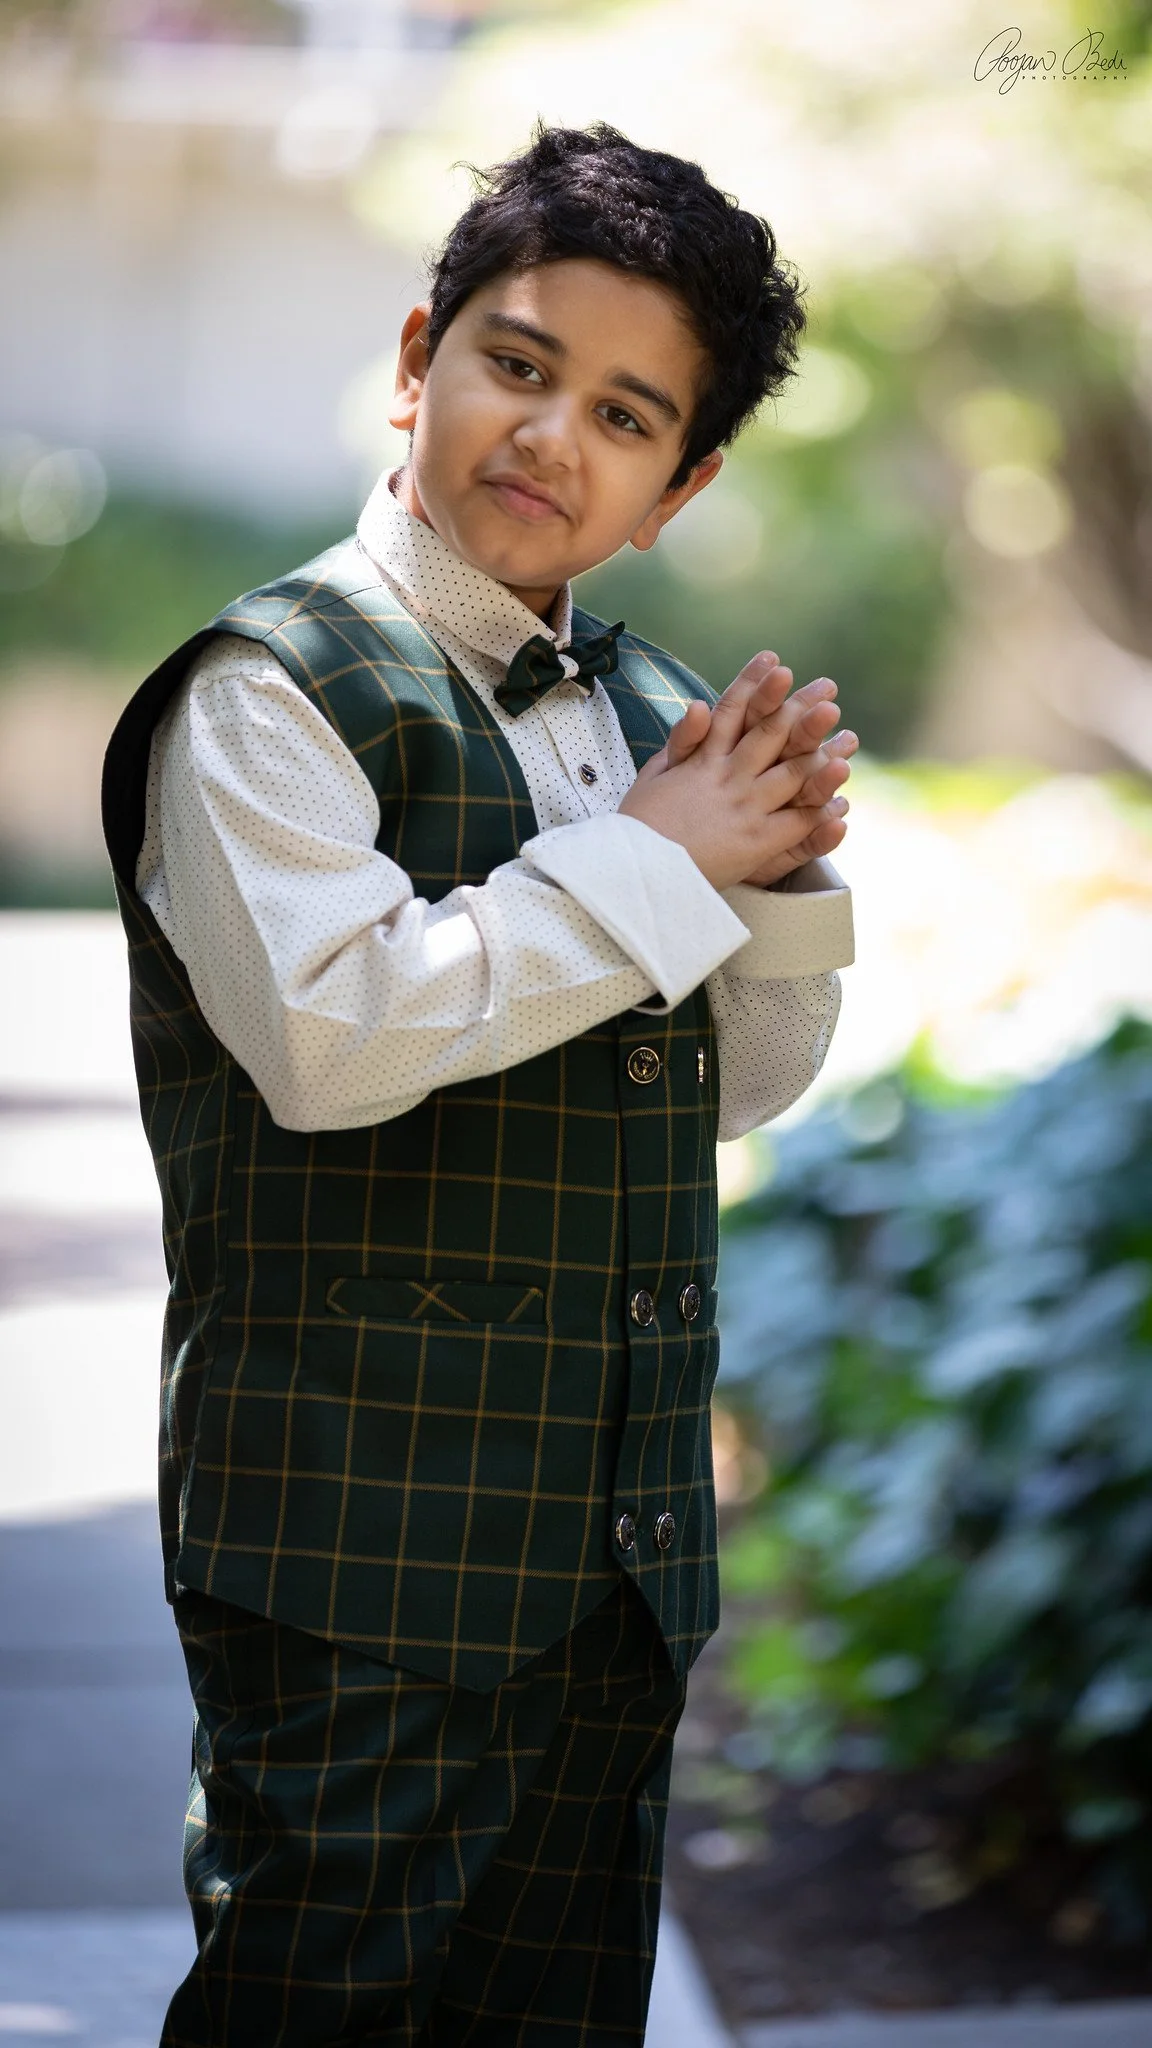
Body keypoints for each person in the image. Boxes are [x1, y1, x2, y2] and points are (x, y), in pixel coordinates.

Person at [101, 120, 856, 2047]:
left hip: (612, 1552)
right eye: (518, 366)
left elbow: (727, 1088)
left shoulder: (641, 714)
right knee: (321, 1999)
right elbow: (339, 1040)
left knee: (550, 2013)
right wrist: (665, 868)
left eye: (624, 415)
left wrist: (773, 878)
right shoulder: (267, 692)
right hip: (350, 1540)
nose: (549, 437)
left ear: (676, 487)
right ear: (420, 351)